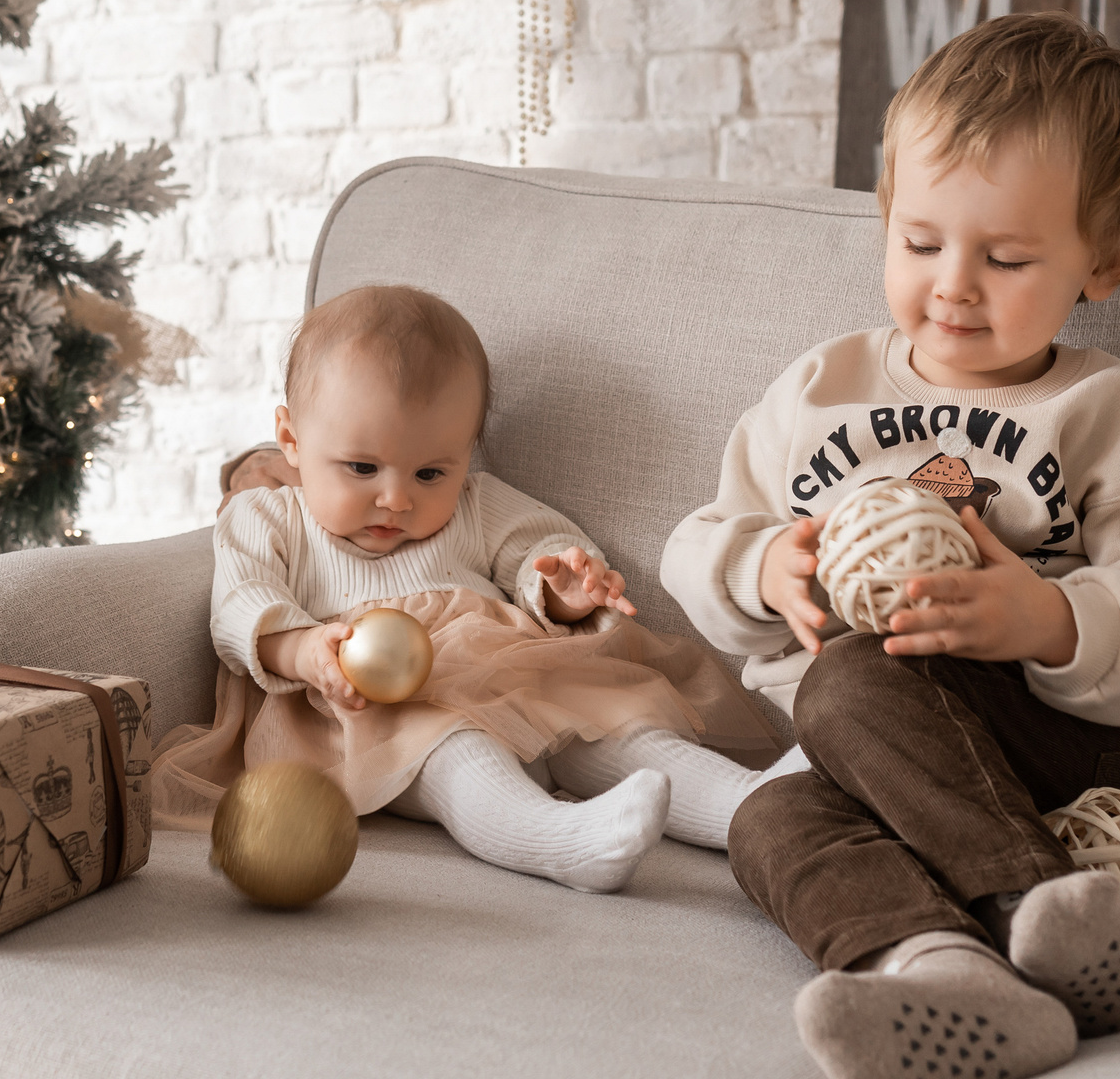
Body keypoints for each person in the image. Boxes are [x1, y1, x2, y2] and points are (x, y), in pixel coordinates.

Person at [662, 12, 1120, 1079]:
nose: (953, 285)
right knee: (768, 819)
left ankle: (1044, 906)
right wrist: (762, 574)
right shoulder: (819, 389)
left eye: (1008, 257)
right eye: (922, 242)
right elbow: (704, 535)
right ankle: (956, 977)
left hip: (1062, 745)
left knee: (850, 675)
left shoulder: (1100, 408)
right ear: (886, 220)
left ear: (1106, 261)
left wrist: (1049, 620)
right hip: (869, 762)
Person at [156, 284, 781, 892]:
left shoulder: (476, 505)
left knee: (615, 726)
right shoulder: (268, 517)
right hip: (367, 708)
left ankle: (762, 803)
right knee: (458, 754)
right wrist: (302, 649)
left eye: (431, 472)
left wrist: (566, 590)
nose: (397, 498)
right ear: (292, 439)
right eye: (362, 468)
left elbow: (535, 552)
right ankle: (558, 840)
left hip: (516, 673)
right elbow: (239, 604)